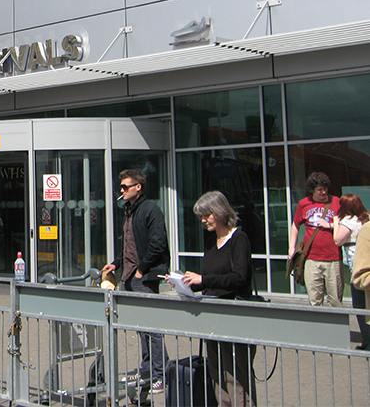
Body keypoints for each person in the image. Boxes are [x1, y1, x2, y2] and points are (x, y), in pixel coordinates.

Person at [178, 191, 256, 407]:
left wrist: (204, 279)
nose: (204, 220)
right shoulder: (213, 241)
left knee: (237, 372)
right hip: (212, 313)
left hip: (233, 312)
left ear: (220, 212)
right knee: (217, 371)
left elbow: (239, 277)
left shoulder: (239, 239)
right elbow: (211, 278)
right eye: (201, 216)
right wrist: (188, 282)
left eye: (207, 215)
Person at [101, 169, 169, 393]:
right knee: (142, 328)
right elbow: (130, 245)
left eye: (125, 187)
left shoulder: (151, 210)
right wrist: (116, 264)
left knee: (152, 327)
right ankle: (148, 370)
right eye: (120, 187)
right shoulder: (129, 211)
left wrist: (142, 269)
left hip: (143, 277)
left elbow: (157, 244)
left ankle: (161, 374)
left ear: (138, 187)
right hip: (130, 276)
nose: (121, 190)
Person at [289, 171, 342, 307]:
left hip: (333, 258)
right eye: (320, 189)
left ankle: (335, 327)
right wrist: (291, 247)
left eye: (325, 189)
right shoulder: (304, 204)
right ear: (312, 190)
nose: (324, 192)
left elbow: (345, 225)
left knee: (335, 299)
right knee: (315, 299)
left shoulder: (336, 202)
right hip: (311, 258)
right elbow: (296, 224)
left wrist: (329, 225)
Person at [333, 194, 370, 349]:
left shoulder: (348, 221)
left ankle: (367, 341)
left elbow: (338, 239)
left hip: (359, 268)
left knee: (360, 307)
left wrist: (335, 223)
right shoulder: (366, 218)